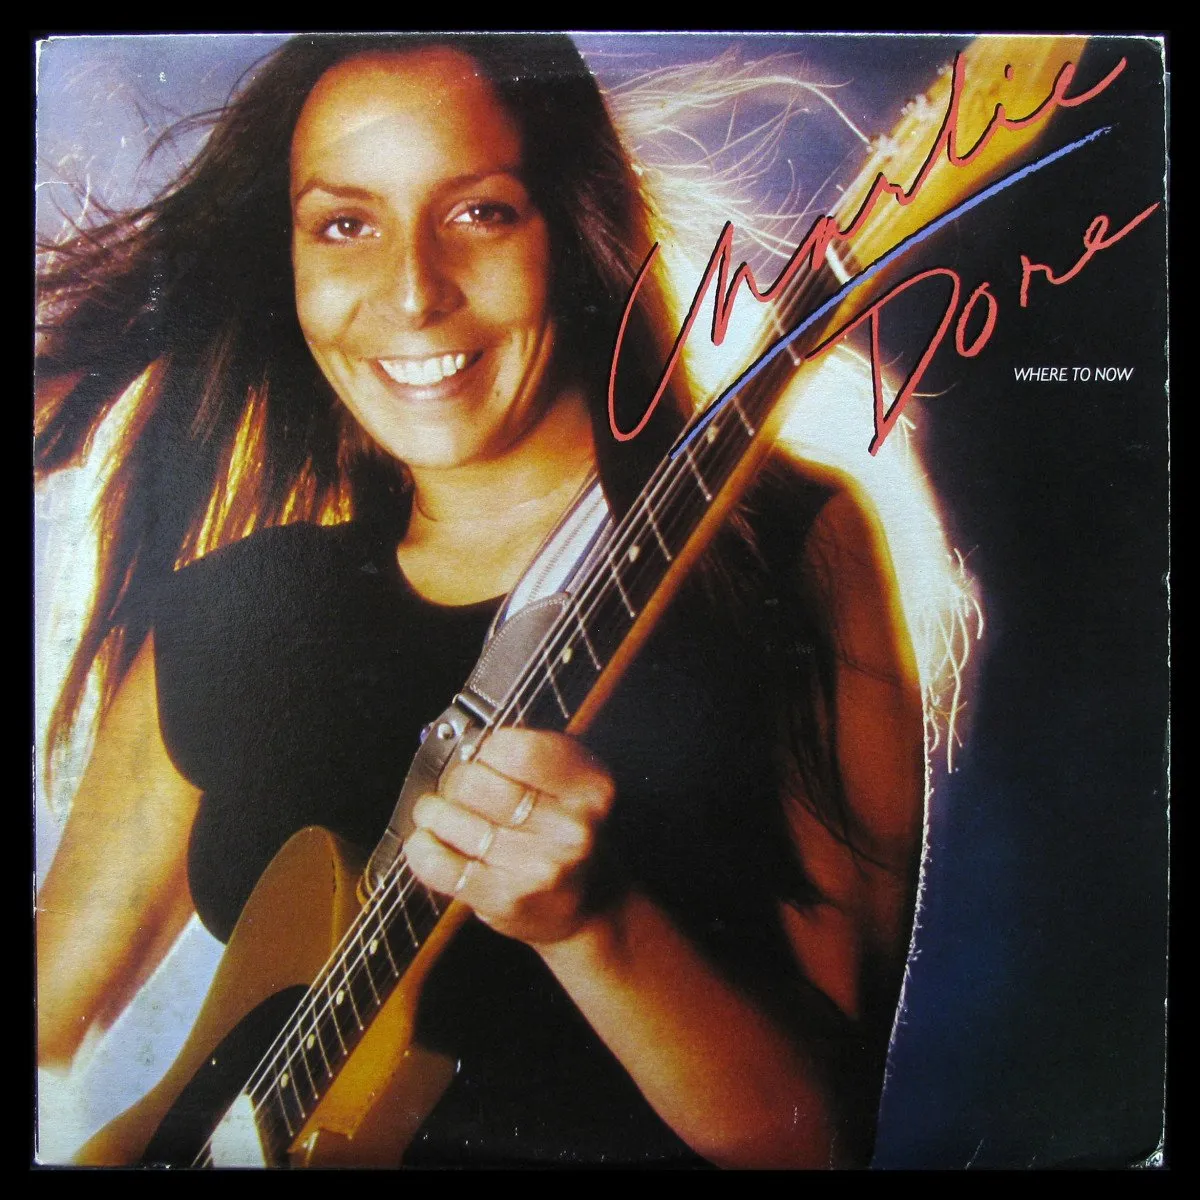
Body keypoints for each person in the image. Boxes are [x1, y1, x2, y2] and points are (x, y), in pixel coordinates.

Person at [35, 33, 924, 1168]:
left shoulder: (772, 547)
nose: (413, 293)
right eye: (344, 225)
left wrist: (595, 927)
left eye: (480, 213)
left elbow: (822, 1141)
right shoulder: (227, 614)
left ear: (573, 227)